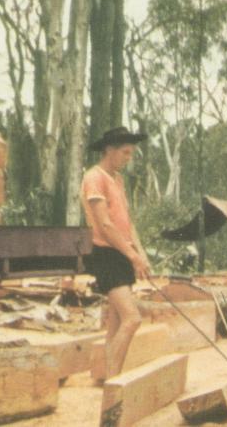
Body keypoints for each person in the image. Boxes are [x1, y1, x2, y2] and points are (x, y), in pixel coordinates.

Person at [81, 126, 151, 380]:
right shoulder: (94, 178)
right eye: (125, 153)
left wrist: (139, 252)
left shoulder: (117, 180)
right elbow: (105, 225)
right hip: (106, 254)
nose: (128, 159)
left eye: (131, 154)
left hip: (122, 252)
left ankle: (107, 377)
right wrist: (132, 256)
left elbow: (127, 222)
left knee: (116, 323)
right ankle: (114, 383)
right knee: (132, 319)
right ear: (109, 150)